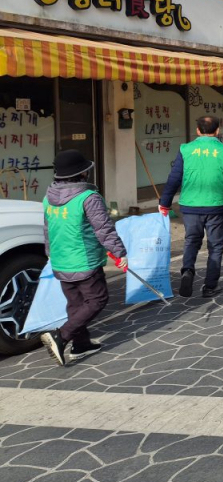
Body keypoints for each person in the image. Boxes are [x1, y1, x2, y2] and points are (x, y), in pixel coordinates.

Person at [40, 150, 127, 366]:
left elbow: (47, 229)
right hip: (84, 260)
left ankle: (81, 345)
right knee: (97, 299)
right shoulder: (89, 198)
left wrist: (50, 254)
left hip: (60, 260)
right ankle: (62, 335)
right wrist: (120, 253)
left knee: (76, 303)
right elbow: (104, 230)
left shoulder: (47, 197)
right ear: (82, 174)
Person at [160, 115, 223, 298]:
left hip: (190, 205)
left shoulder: (186, 149)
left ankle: (187, 271)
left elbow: (174, 178)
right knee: (215, 245)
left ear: (198, 131)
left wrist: (164, 202)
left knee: (191, 240)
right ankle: (209, 286)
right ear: (217, 131)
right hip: (216, 205)